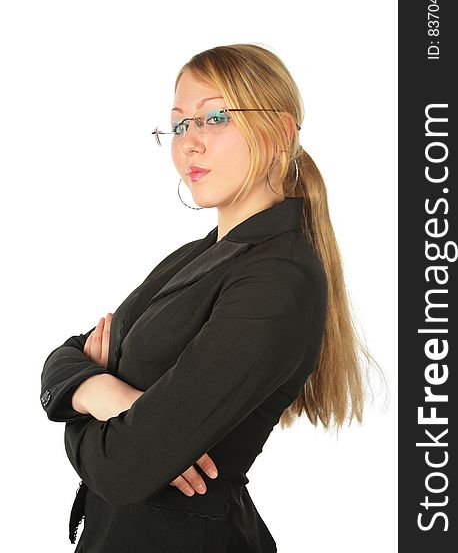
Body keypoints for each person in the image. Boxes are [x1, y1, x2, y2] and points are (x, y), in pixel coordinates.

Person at [40, 43, 379, 552]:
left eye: (214, 118)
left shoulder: (278, 280)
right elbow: (68, 352)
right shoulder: (198, 255)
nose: (188, 144)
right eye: (179, 125)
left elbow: (123, 468)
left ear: (281, 132)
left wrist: (83, 402)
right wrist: (104, 395)